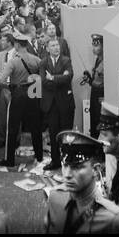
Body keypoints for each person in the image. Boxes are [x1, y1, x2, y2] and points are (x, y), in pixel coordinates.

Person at [44, 131, 119, 234]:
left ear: (95, 170)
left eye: (76, 167)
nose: (67, 174)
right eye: (65, 165)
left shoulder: (115, 220)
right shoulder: (55, 197)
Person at [0, 28, 43, 168]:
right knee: (35, 126)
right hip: (33, 92)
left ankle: (9, 159)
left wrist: (10, 88)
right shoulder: (36, 59)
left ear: (16, 45)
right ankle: (39, 155)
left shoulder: (13, 61)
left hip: (18, 93)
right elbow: (40, 76)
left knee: (13, 127)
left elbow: (1, 81)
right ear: (26, 45)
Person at [39, 38, 74, 170]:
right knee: (53, 134)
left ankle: (68, 160)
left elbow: (68, 77)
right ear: (47, 48)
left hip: (65, 103)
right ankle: (55, 161)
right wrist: (60, 78)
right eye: (52, 46)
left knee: (66, 134)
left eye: (57, 45)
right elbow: (43, 81)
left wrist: (53, 77)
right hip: (51, 104)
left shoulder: (66, 61)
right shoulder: (43, 63)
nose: (56, 47)